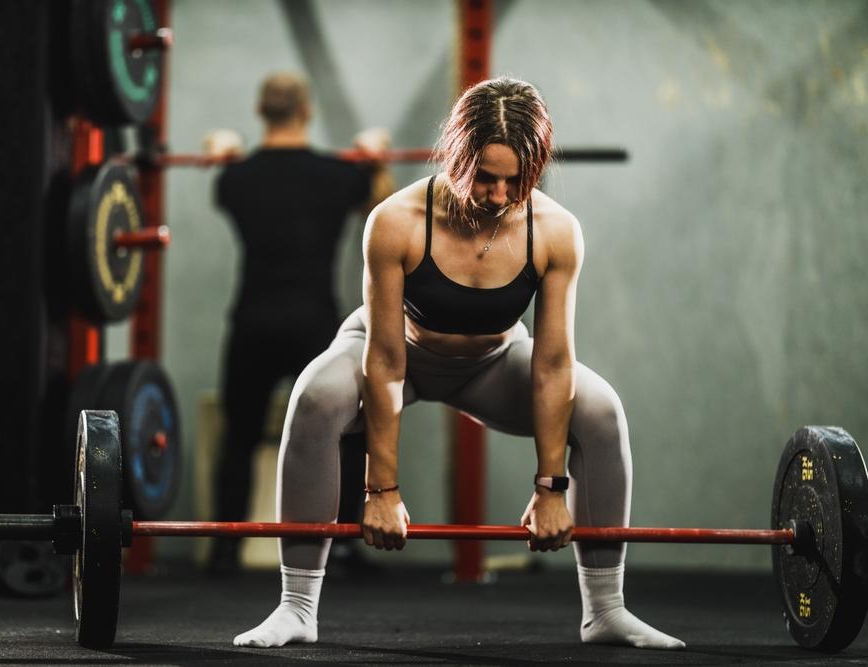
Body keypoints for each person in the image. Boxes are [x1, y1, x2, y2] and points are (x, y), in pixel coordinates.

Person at [231, 76, 685, 651]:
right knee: (315, 394)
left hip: (493, 361)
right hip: (401, 349)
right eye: (485, 179)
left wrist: (551, 488)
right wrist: (381, 489)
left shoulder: (555, 232)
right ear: (457, 157)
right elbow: (388, 358)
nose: (498, 196)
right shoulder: (397, 221)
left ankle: (606, 610)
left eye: (515, 181)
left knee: (601, 411)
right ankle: (296, 607)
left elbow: (551, 364)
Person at [207, 72, 394, 574]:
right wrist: (372, 157)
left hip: (253, 322)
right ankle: (349, 542)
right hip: (315, 325)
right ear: (307, 111)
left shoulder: (237, 178)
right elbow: (380, 207)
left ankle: (226, 548)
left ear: (259, 110)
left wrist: (230, 153)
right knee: (347, 432)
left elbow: (222, 193)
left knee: (240, 436)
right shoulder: (338, 175)